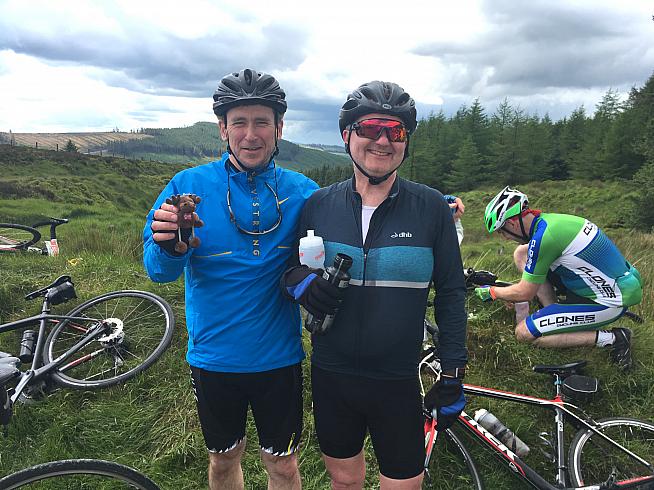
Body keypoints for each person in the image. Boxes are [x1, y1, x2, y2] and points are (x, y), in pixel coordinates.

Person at [282, 81, 468, 489]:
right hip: (332, 376)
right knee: (344, 481)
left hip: (397, 380)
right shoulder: (319, 205)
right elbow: (291, 270)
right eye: (370, 128)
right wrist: (304, 288)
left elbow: (452, 293)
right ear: (347, 135)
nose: (382, 140)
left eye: (396, 131)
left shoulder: (431, 208)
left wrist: (453, 372)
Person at [143, 68, 318, 490]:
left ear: (279, 128)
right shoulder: (186, 185)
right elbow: (158, 272)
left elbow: (360, 207)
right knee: (223, 462)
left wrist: (433, 205)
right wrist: (169, 246)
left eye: (262, 122)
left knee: (284, 467)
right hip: (214, 360)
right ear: (223, 128)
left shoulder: (304, 191)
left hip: (280, 359)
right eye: (239, 122)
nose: (250, 134)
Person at [476, 186, 643, 370]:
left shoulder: (544, 239)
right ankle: (553, 311)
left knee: (523, 334)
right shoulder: (548, 222)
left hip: (608, 303)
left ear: (512, 223)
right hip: (609, 284)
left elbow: (525, 292)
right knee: (521, 253)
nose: (506, 238)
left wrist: (493, 292)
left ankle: (614, 339)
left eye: (502, 231)